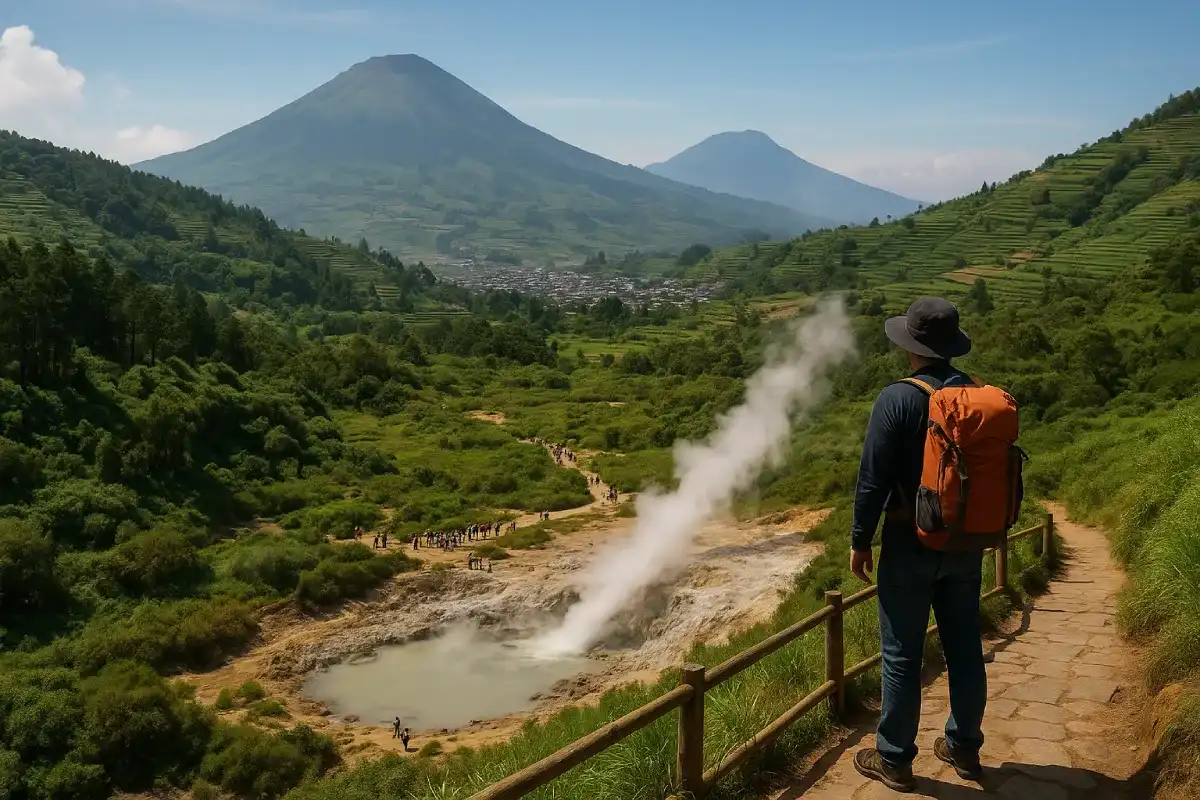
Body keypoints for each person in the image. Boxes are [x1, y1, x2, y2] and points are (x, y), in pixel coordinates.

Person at [850, 297, 987, 792]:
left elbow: (873, 480)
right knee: (965, 648)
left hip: (909, 545)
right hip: (966, 543)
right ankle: (965, 749)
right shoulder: (975, 394)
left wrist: (860, 541)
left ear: (911, 347)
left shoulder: (899, 398)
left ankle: (894, 759)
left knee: (903, 655)